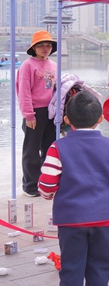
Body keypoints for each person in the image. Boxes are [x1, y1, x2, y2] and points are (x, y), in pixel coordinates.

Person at [39, 92, 109, 286]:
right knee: (100, 265)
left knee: (72, 267)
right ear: (100, 118)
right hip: (104, 218)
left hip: (71, 219)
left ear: (66, 119)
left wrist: (48, 195)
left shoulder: (58, 147)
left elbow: (46, 184)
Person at [17, 30, 58, 197]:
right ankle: (30, 186)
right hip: (35, 111)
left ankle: (46, 182)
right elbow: (24, 91)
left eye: (48, 45)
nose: (45, 48)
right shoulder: (27, 65)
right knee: (31, 151)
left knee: (49, 150)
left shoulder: (54, 65)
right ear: (34, 48)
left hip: (51, 111)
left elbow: (57, 89)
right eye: (41, 45)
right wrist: (29, 115)